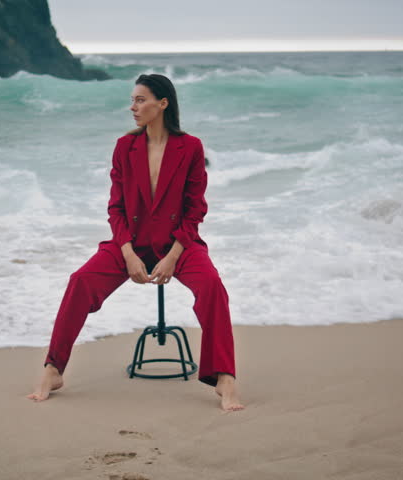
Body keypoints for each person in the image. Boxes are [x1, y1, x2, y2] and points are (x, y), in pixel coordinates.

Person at [27, 74, 244, 411]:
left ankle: (225, 378)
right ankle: (53, 369)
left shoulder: (190, 147)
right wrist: (127, 252)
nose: (133, 107)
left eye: (141, 99)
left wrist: (174, 256)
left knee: (213, 286)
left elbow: (195, 208)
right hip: (130, 241)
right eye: (133, 100)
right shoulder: (124, 147)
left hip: (179, 244)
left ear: (163, 103)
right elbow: (116, 208)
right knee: (80, 281)